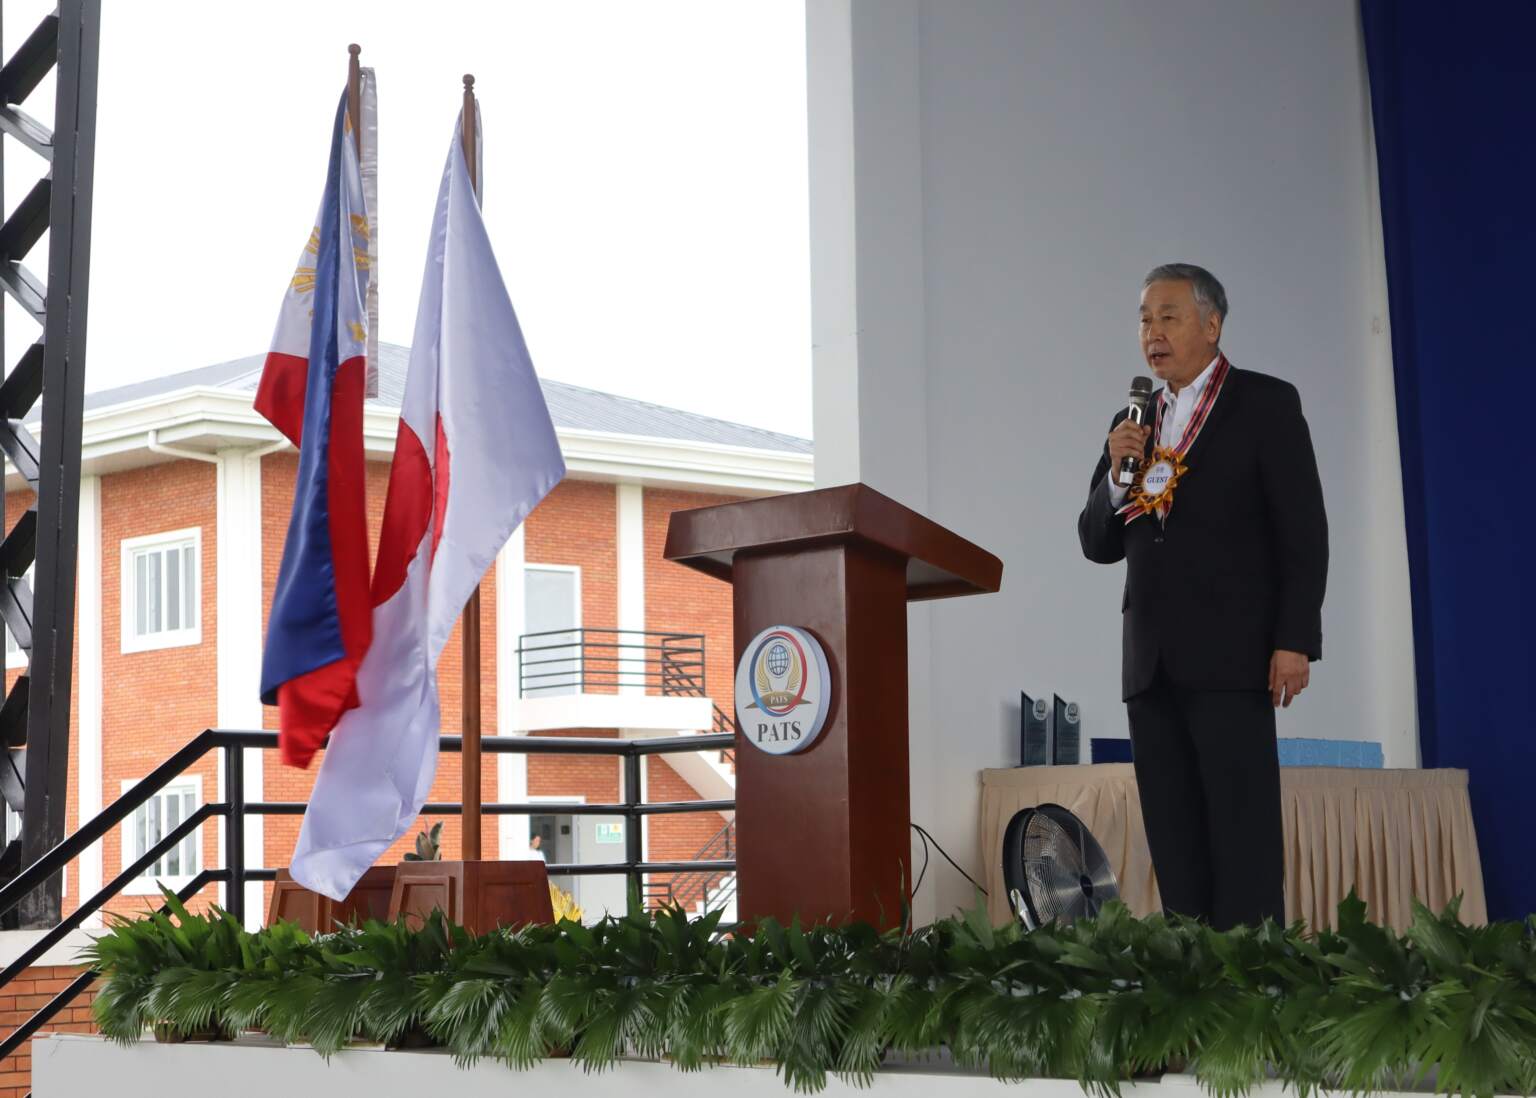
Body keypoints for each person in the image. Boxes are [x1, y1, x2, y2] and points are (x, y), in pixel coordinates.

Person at [1077, 263, 1328, 929]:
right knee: (1177, 846)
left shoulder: (1265, 404)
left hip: (1234, 657)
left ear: (1212, 325)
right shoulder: (1132, 423)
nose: (1151, 333)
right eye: (1142, 319)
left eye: (1167, 316)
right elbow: (1096, 542)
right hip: (1150, 664)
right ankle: (1192, 996)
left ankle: (1253, 1001)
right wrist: (1112, 477)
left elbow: (1303, 532)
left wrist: (1294, 638)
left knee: (1241, 842)